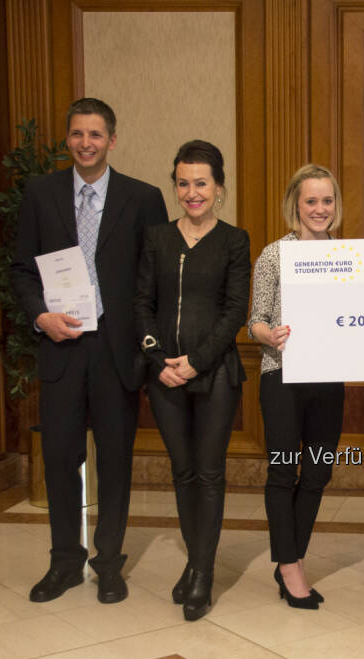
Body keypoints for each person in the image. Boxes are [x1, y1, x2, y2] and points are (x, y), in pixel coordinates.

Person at [11, 98, 168, 604]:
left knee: (116, 461)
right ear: (68, 139)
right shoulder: (40, 192)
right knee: (59, 457)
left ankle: (109, 562)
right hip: (62, 348)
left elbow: (154, 282)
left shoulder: (143, 198)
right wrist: (41, 316)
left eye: (95, 135)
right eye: (77, 134)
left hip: (117, 352)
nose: (85, 144)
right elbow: (21, 271)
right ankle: (64, 562)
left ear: (112, 140)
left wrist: (150, 349)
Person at [135, 140, 250, 621]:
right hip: (163, 374)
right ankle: (197, 561)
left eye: (201, 183)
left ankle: (201, 574)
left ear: (218, 187)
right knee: (181, 473)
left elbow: (234, 312)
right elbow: (141, 303)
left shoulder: (234, 240)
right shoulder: (157, 238)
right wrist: (159, 358)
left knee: (208, 473)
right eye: (183, 183)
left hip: (216, 373)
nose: (192, 192)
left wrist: (195, 362)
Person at [248, 164, 345, 610]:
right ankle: (289, 566)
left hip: (329, 378)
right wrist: (268, 335)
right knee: (285, 470)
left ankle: (292, 555)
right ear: (296, 204)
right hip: (282, 376)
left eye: (327, 201)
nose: (320, 209)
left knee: (319, 472)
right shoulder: (274, 255)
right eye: (311, 201)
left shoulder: (348, 256)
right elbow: (255, 321)